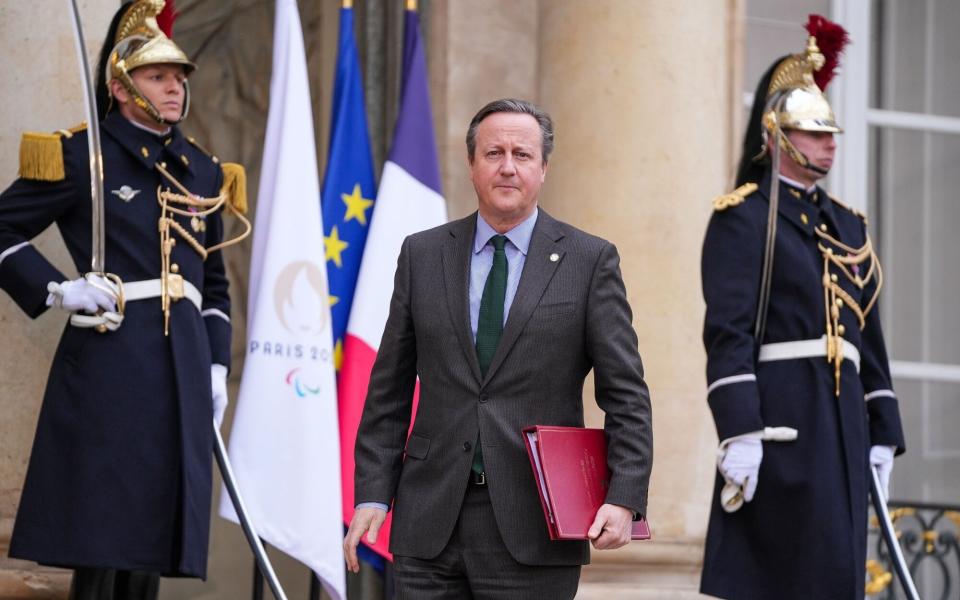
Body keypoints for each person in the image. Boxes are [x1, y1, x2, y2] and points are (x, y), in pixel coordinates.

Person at [343, 98, 653, 599]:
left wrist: (624, 496)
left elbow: (626, 395)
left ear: (544, 168)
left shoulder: (589, 260)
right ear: (471, 166)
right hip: (428, 521)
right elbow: (390, 388)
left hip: (535, 525)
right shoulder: (422, 254)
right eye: (493, 153)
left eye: (522, 154)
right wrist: (373, 494)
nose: (507, 166)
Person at [0, 1, 247, 598]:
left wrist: (216, 363)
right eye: (158, 76)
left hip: (182, 364)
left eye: (179, 77)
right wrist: (58, 289)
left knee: (153, 535)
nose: (175, 87)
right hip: (112, 356)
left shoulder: (204, 172)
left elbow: (213, 284)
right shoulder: (78, 155)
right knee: (101, 532)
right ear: (121, 86)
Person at [699, 16, 905, 599]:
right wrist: (739, 429)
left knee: (836, 577)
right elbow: (728, 332)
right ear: (776, 136)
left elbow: (870, 336)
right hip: (780, 417)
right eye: (814, 132)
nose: (830, 142)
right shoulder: (743, 217)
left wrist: (883, 429)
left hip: (841, 422)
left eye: (831, 132)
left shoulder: (848, 223)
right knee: (776, 576)